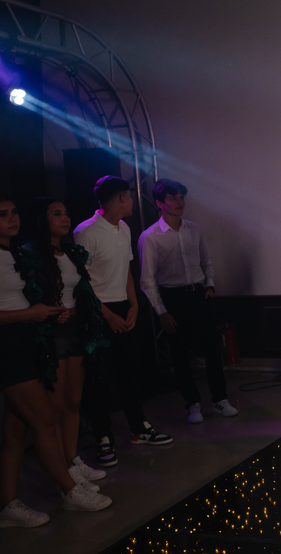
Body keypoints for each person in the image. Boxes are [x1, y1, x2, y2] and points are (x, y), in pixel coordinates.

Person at [0, 194, 111, 526]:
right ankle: (69, 490)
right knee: (45, 421)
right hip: (9, 345)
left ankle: (8, 506)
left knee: (15, 431)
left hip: (28, 339)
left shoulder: (15, 254)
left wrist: (47, 313)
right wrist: (30, 314)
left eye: (14, 212)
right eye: (3, 214)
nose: (12, 218)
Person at [75, 176, 171, 467]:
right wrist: (108, 315)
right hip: (97, 311)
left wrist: (133, 304)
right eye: (129, 196)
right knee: (99, 378)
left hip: (123, 305)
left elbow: (127, 268)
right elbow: (81, 282)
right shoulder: (86, 232)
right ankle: (103, 438)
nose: (131, 201)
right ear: (120, 198)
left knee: (131, 370)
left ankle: (138, 427)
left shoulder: (124, 228)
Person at [23, 198, 113, 493]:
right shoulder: (31, 254)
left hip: (77, 329)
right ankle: (63, 469)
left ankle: (73, 460)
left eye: (66, 213)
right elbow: (30, 294)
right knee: (57, 404)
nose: (65, 218)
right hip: (54, 332)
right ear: (42, 220)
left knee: (74, 399)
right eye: (57, 214)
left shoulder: (72, 252)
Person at [139, 179, 236, 424]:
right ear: (160, 203)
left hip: (199, 293)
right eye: (173, 198)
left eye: (181, 197)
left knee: (212, 349)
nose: (179, 202)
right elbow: (147, 279)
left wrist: (210, 285)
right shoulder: (150, 236)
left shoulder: (194, 229)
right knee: (179, 354)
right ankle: (192, 404)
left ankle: (220, 399)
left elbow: (206, 261)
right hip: (173, 297)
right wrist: (162, 311)